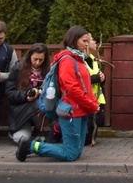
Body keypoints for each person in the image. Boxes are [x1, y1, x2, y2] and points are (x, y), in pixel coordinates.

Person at [16, 26, 100, 162]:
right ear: (74, 40)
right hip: (72, 111)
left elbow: (85, 86)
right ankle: (31, 145)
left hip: (80, 110)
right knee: (71, 154)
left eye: (88, 40)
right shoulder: (68, 60)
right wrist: (91, 104)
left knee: (75, 152)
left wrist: (91, 104)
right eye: (84, 40)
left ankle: (33, 146)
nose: (87, 44)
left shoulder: (78, 59)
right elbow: (72, 88)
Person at [5, 43, 50, 144]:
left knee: (38, 104)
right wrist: (25, 96)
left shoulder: (48, 71)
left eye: (41, 60)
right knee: (22, 139)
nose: (37, 62)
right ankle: (16, 132)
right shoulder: (18, 68)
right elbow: (9, 92)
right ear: (29, 56)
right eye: (35, 59)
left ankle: (39, 131)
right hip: (21, 111)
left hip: (39, 111)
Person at [84, 34, 106, 146]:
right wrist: (95, 78)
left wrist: (102, 78)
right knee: (86, 139)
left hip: (96, 100)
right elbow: (80, 80)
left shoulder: (94, 60)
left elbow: (99, 81)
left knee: (96, 125)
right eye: (93, 39)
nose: (95, 41)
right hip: (85, 101)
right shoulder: (80, 61)